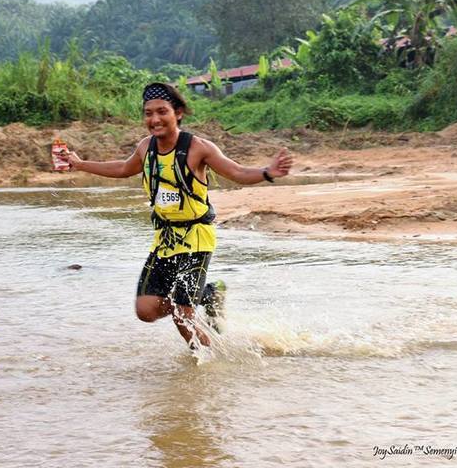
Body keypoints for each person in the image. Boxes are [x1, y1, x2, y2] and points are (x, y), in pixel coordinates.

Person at [56, 82, 293, 348]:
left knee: (183, 316)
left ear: (177, 113)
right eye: (148, 113)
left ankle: (208, 367)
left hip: (196, 239)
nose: (154, 119)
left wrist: (267, 172)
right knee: (145, 310)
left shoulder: (199, 148)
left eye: (162, 112)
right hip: (164, 240)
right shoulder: (146, 148)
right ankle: (208, 295)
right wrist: (78, 163)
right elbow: (124, 168)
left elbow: (236, 172)